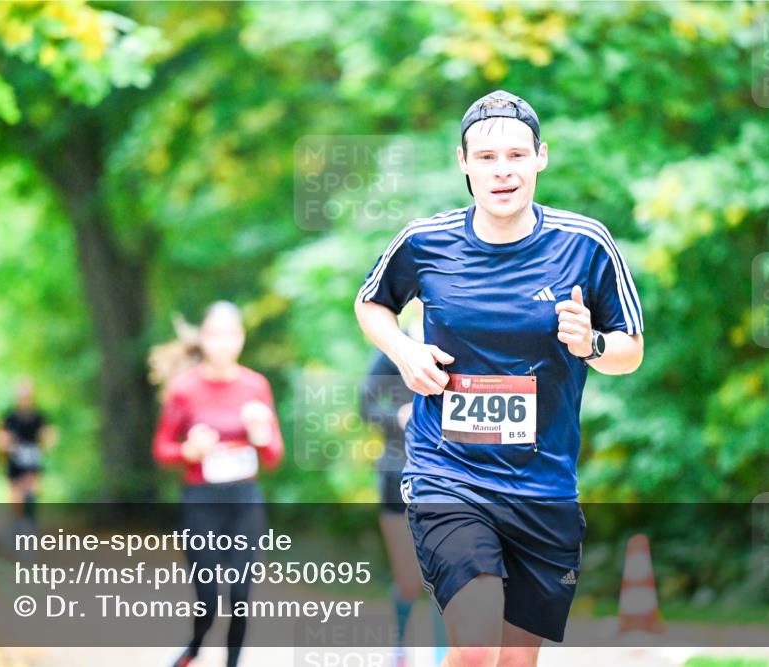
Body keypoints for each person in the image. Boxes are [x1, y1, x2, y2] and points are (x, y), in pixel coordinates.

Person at [354, 90, 644, 667]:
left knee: (514, 662)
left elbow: (631, 351)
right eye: (486, 158)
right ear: (463, 162)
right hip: (448, 473)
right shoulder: (424, 241)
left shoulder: (585, 244)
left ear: (541, 157)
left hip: (543, 486)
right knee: (479, 643)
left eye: (516, 154)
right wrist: (404, 351)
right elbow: (370, 304)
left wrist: (592, 344)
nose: (502, 170)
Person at [152, 301, 284, 667]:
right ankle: (194, 649)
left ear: (241, 338)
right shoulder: (184, 389)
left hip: (245, 501)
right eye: (216, 334)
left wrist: (260, 435)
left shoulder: (256, 385)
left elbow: (274, 456)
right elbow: (162, 449)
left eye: (231, 334)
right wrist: (189, 451)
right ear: (204, 339)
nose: (224, 342)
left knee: (241, 597)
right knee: (208, 599)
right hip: (201, 502)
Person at [359, 302, 447, 667]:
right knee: (410, 580)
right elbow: (365, 405)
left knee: (446, 573)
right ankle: (399, 648)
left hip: (445, 474)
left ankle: (447, 655)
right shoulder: (394, 351)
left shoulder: (453, 346)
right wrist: (397, 417)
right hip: (397, 472)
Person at [0, 377, 57, 519]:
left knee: (32, 496)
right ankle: (17, 529)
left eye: (27, 396)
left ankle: (29, 529)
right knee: (16, 499)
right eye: (22, 396)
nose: (25, 399)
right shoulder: (9, 418)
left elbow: (50, 436)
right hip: (15, 462)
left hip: (33, 461)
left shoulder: (39, 416)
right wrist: (6, 443)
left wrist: (46, 439)